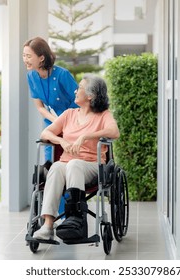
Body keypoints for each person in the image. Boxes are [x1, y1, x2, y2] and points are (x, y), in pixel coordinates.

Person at [33, 74, 120, 241]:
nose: (75, 90)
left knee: (74, 164)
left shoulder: (103, 115)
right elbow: (46, 132)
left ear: (90, 95)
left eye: (79, 87)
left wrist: (86, 136)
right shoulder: (69, 114)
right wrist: (61, 140)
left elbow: (114, 132)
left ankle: (77, 220)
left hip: (92, 166)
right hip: (67, 165)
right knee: (57, 167)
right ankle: (48, 226)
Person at [23, 36, 78, 160]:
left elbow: (80, 101)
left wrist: (66, 122)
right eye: (24, 55)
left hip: (73, 121)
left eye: (29, 56)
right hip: (52, 120)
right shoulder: (31, 76)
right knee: (49, 160)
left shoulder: (62, 75)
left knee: (71, 159)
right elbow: (40, 107)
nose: (25, 60)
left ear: (41, 58)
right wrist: (57, 122)